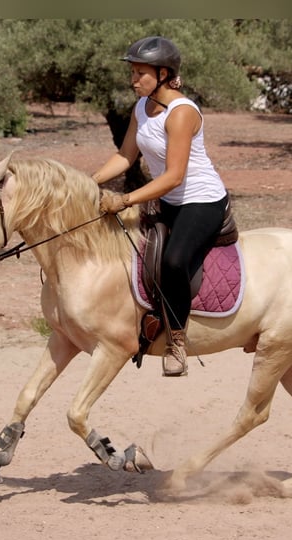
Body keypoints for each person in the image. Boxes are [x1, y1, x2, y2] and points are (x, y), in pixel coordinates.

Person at [92, 36, 229, 377]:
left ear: (164, 73)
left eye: (140, 73)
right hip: (167, 199)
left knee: (173, 261)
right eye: (133, 73)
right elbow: (125, 156)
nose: (133, 80)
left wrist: (124, 199)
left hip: (200, 200)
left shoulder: (181, 113)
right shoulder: (141, 107)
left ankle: (177, 342)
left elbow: (173, 176)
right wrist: (88, 183)